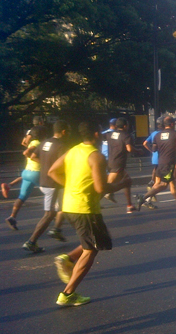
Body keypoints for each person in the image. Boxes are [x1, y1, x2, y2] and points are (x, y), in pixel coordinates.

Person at [48, 121, 131, 306]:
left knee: (96, 241)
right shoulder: (96, 157)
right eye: (100, 133)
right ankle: (67, 294)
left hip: (69, 205)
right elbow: (101, 188)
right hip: (85, 208)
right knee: (91, 249)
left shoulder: (73, 150)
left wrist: (72, 186)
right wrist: (122, 184)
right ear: (95, 134)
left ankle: (67, 258)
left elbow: (52, 171)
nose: (102, 136)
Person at [22, 120, 70, 253]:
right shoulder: (62, 145)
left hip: (45, 180)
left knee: (63, 207)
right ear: (64, 132)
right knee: (49, 214)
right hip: (53, 183)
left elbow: (32, 156)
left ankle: (57, 230)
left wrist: (46, 165)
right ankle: (31, 241)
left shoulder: (45, 142)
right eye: (68, 131)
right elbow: (64, 164)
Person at [135, 116, 176, 213]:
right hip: (169, 163)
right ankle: (143, 197)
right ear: (172, 124)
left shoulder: (157, 135)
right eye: (175, 123)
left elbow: (154, 149)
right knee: (164, 185)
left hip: (160, 162)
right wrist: (174, 146)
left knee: (172, 184)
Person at [5, 125, 46, 230]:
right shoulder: (38, 143)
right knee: (52, 192)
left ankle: (12, 217)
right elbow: (27, 152)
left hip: (27, 172)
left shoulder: (32, 142)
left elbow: (26, 145)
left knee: (22, 196)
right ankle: (52, 214)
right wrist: (43, 162)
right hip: (37, 173)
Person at [2, 118, 47, 199]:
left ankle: (9, 185)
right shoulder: (37, 132)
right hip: (32, 154)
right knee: (33, 172)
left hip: (30, 153)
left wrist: (29, 146)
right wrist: (34, 149)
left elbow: (23, 142)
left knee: (27, 173)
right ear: (40, 122)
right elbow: (28, 148)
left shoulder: (29, 131)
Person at [106, 117, 137, 213]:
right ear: (125, 126)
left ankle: (129, 205)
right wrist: (138, 151)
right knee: (106, 186)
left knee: (128, 182)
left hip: (111, 161)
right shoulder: (126, 135)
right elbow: (129, 149)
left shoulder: (110, 134)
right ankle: (107, 193)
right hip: (118, 163)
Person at [142, 117, 164, 208]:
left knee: (157, 174)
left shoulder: (154, 133)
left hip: (155, 157)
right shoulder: (164, 134)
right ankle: (148, 198)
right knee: (161, 182)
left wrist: (151, 151)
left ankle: (152, 182)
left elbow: (144, 143)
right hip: (163, 158)